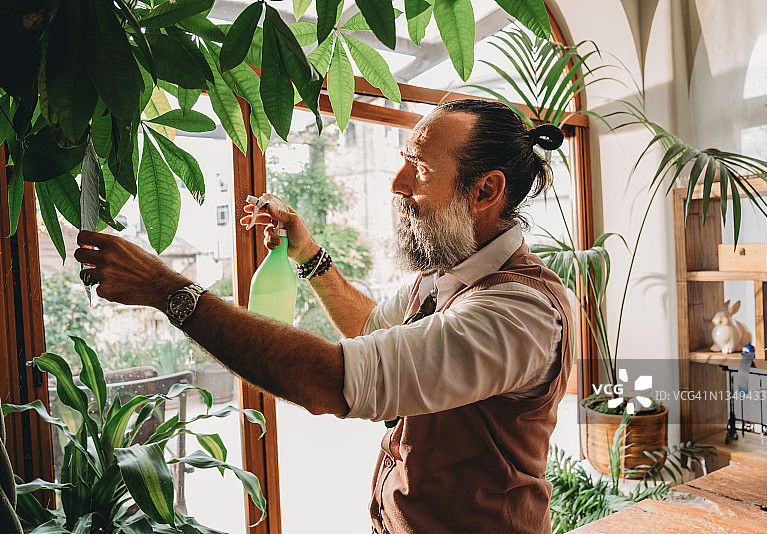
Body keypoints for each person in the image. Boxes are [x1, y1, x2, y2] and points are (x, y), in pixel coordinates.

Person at [75, 99, 573, 534]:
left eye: (417, 169)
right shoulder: (444, 274)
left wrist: (169, 292)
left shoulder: (520, 313)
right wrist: (307, 253)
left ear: (485, 191)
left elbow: (330, 379)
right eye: (402, 161)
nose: (396, 183)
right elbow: (371, 330)